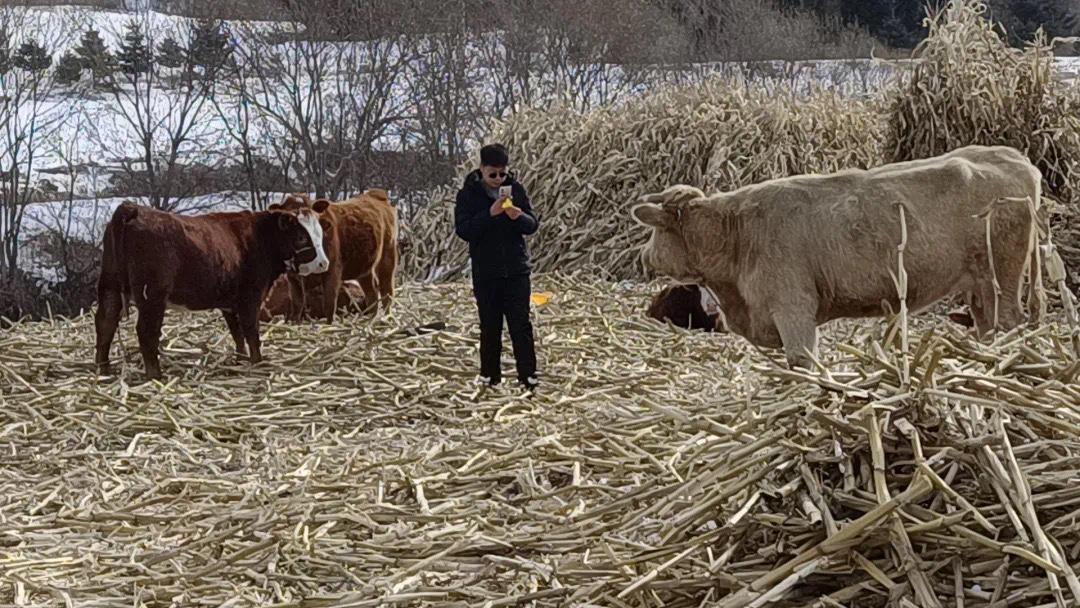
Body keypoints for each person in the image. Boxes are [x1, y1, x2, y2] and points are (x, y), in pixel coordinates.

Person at [454, 143, 540, 392]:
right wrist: (489, 214)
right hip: (486, 272)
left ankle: (528, 378)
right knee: (490, 326)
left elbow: (532, 224)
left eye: (503, 174)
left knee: (520, 325)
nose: (498, 179)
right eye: (493, 174)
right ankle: (490, 378)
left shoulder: (516, 190)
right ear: (481, 170)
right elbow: (464, 230)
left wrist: (518, 216)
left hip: (516, 270)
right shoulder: (468, 194)